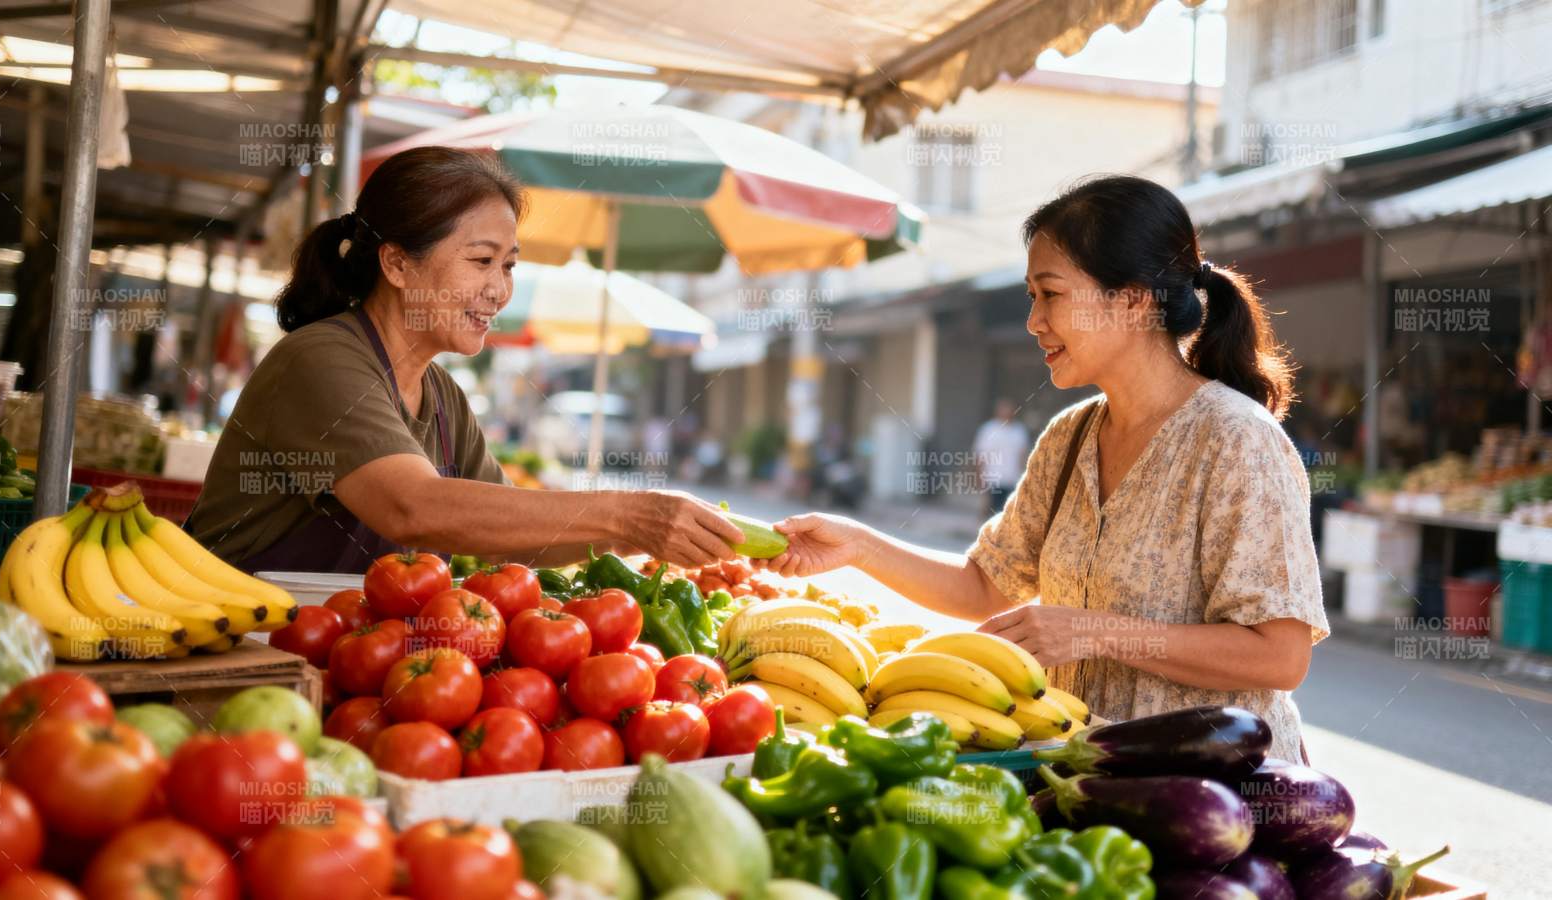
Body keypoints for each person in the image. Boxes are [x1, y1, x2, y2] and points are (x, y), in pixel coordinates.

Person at [761, 175, 1329, 763]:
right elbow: (985, 585)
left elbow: (1280, 656)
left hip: (1218, 801)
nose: (1034, 320)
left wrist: (1094, 631)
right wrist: (857, 545)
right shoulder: (1069, 436)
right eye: (1032, 296)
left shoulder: (1237, 440)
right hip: (1092, 782)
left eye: (1049, 294)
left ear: (1133, 299)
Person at [186, 147, 742, 573]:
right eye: (481, 260)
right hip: (234, 657)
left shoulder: (443, 397)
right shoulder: (321, 359)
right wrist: (626, 512)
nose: (499, 291)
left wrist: (661, 533)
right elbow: (413, 507)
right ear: (398, 264)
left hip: (338, 660)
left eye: (509, 266)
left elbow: (520, 537)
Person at [972, 398, 1030, 516]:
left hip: (1012, 480)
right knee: (991, 516)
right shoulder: (988, 430)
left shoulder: (1019, 431)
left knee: (1009, 515)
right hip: (992, 480)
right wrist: (980, 480)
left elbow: (1023, 456)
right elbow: (980, 456)